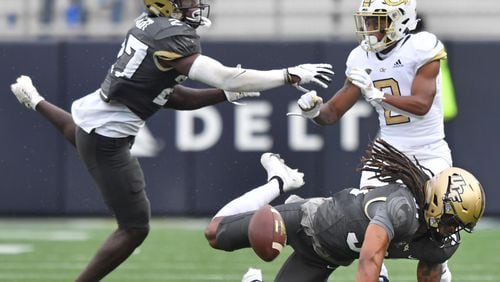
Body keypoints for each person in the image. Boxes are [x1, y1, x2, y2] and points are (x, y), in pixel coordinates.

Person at [9, 1, 333, 281]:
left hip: (98, 119)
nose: (195, 5)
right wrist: (286, 75)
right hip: (108, 137)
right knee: (134, 228)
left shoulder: (150, 26)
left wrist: (226, 94)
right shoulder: (172, 36)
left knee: (84, 138)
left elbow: (171, 95)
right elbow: (224, 75)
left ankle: (36, 100)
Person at [294, 0, 454, 280]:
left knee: (433, 235)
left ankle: (439, 268)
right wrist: (313, 111)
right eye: (367, 20)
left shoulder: (422, 46)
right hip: (387, 153)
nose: (369, 28)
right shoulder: (361, 57)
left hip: (429, 152)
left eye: (377, 21)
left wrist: (381, 96)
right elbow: (332, 114)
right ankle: (379, 273)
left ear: (401, 20)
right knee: (371, 219)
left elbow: (422, 103)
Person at [205, 139, 486, 282]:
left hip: (323, 258)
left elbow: (429, 275)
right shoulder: (402, 207)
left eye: (460, 224)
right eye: (452, 220)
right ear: (437, 201)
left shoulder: (441, 245)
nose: (453, 229)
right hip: (308, 221)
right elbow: (369, 259)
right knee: (216, 234)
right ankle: (279, 181)